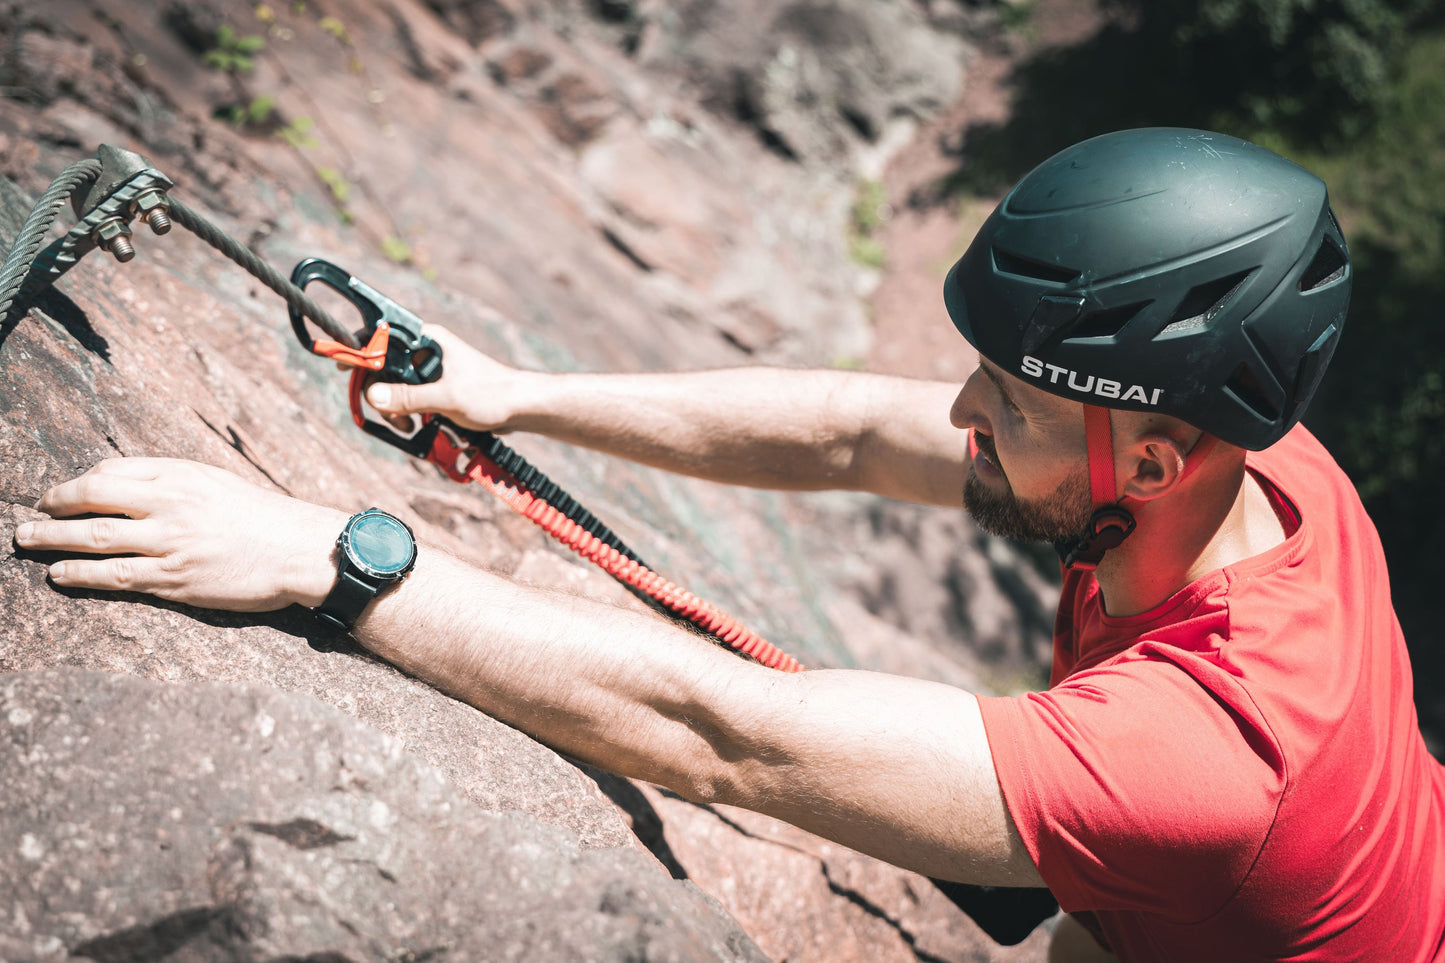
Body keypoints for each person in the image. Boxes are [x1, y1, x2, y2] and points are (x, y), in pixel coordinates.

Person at [15, 128, 1444, 962]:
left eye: (1003, 403)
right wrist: (516, 393)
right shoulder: (1257, 468)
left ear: (1146, 454)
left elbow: (725, 737)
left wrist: (341, 559)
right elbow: (841, 435)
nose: (956, 414)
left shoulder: (1199, 761)